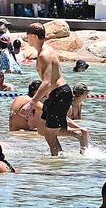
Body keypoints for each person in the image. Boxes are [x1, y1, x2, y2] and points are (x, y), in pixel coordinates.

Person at [27, 22, 75, 156]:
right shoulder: (45, 50)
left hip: (59, 93)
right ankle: (59, 153)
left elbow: (46, 82)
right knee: (43, 129)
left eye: (28, 36)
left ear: (34, 37)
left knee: (50, 133)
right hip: (57, 93)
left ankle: (56, 161)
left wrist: (32, 103)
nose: (27, 39)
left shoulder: (44, 55)